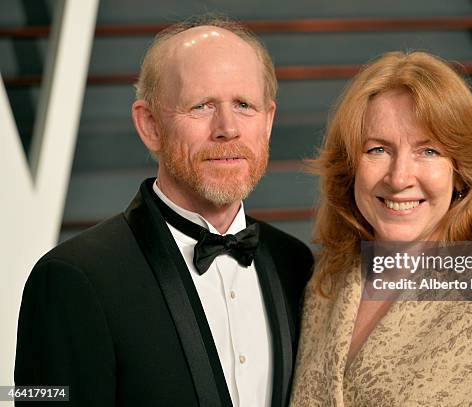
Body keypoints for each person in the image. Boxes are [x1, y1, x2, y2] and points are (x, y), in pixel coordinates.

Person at [15, 16, 313, 407]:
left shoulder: (295, 265)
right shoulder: (72, 278)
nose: (227, 128)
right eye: (202, 105)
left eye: (244, 105)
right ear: (150, 124)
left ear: (268, 121)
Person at [289, 51, 472, 406]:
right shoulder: (324, 284)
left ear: (461, 171)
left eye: (429, 152)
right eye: (378, 149)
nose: (399, 178)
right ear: (350, 169)